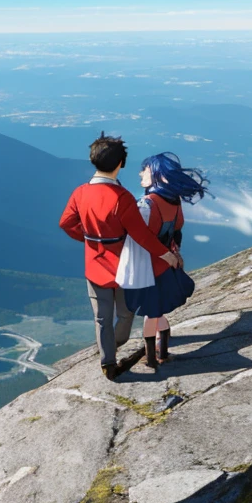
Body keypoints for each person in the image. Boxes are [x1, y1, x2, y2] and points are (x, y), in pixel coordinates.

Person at [59, 133, 179, 381]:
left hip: (94, 265)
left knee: (101, 317)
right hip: (123, 266)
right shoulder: (122, 197)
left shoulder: (80, 193)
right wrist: (166, 254)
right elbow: (141, 235)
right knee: (125, 314)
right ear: (120, 163)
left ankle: (108, 362)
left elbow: (66, 223)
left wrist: (88, 239)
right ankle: (115, 346)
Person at [126, 152, 210, 370]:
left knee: (150, 314)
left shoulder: (146, 204)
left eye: (144, 169)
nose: (140, 173)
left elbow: (140, 237)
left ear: (157, 175)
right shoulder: (174, 203)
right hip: (167, 266)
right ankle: (162, 352)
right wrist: (175, 254)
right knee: (158, 311)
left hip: (149, 267)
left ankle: (151, 356)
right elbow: (177, 232)